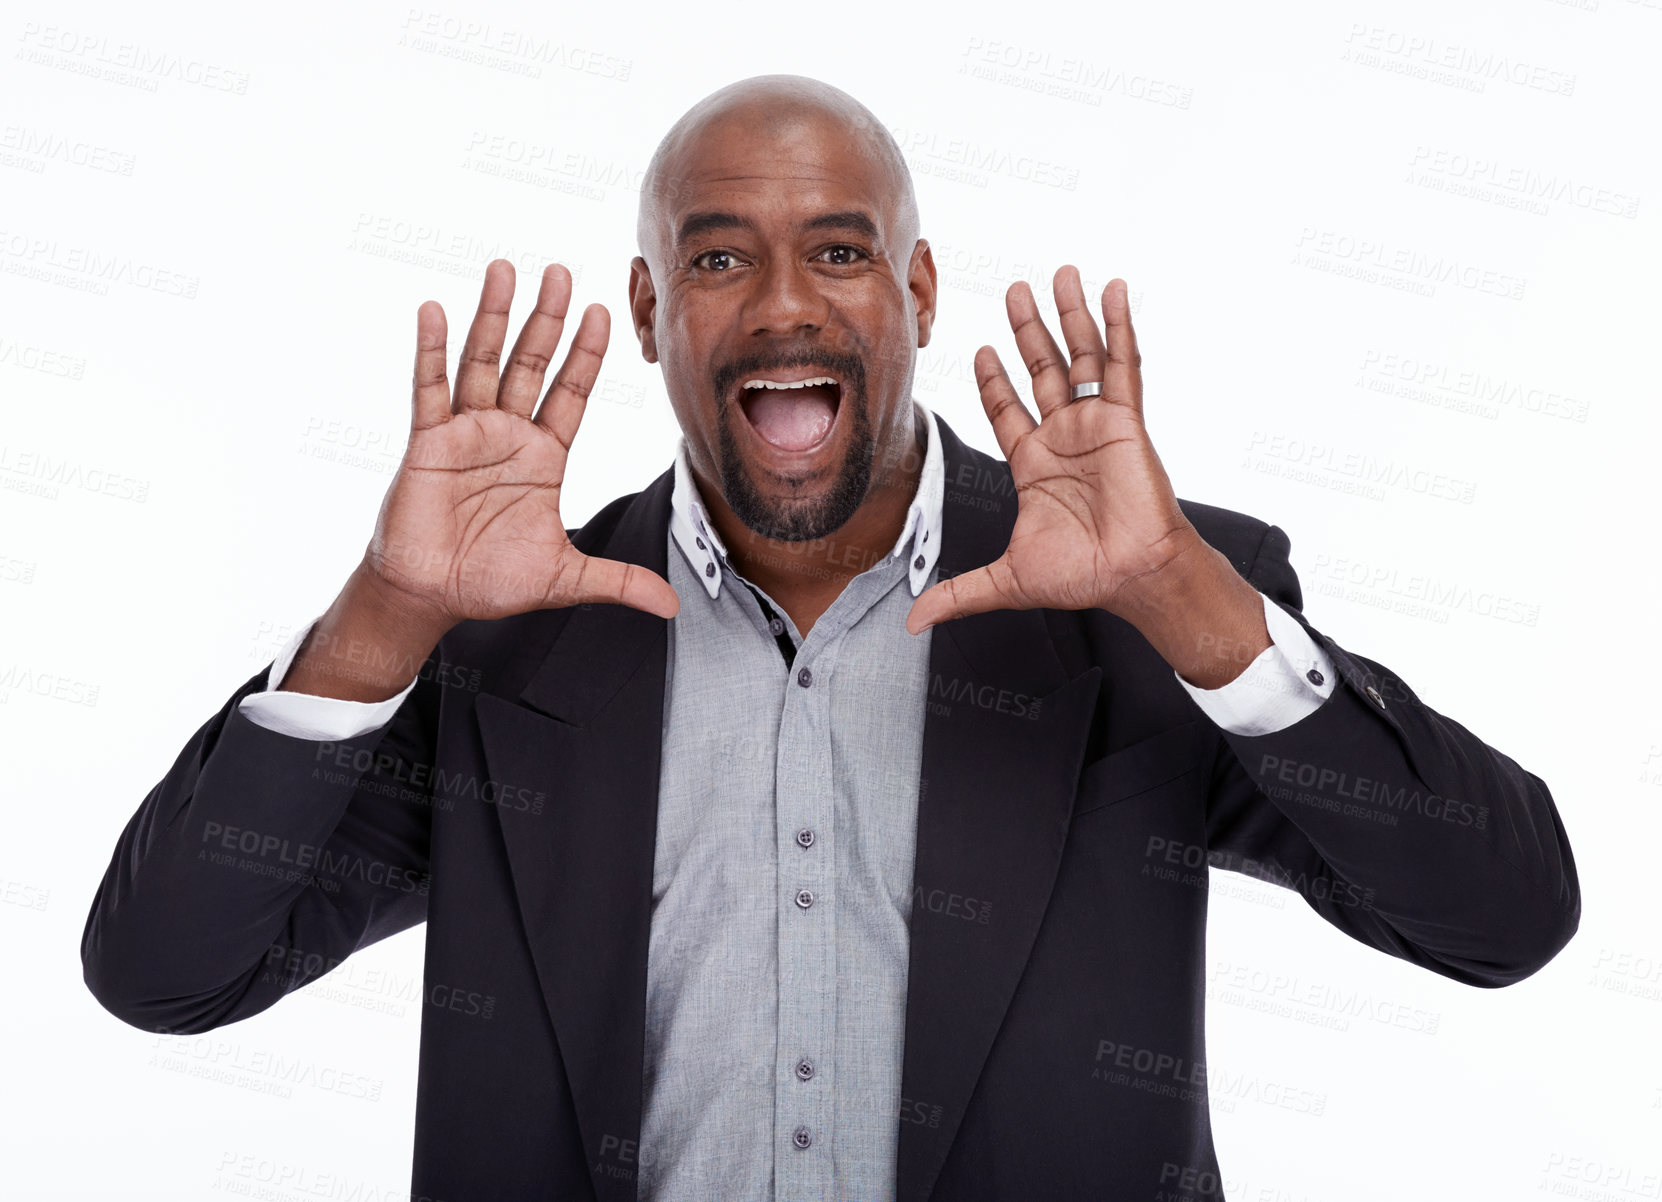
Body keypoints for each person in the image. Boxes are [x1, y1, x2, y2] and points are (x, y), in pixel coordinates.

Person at [81, 74, 1580, 1201]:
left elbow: (1499, 915)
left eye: (842, 253)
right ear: (652, 311)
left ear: (917, 292)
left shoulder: (1141, 605)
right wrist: (385, 617)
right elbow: (164, 972)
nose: (783, 304)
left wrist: (1181, 592)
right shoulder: (505, 641)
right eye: (720, 260)